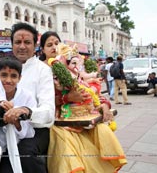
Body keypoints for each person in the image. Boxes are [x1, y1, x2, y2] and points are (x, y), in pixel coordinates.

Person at [39, 34, 127, 172]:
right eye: (49, 45)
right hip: (58, 122)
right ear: (42, 49)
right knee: (66, 143)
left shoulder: (71, 68)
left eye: (57, 43)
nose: (55, 47)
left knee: (102, 130)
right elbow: (40, 102)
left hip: (82, 117)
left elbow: (90, 91)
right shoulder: (41, 70)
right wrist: (67, 98)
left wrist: (104, 106)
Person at [0, 23, 56, 173]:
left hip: (35, 131)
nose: (22, 46)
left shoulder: (43, 70)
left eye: (27, 42)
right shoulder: (3, 68)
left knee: (24, 154)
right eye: (18, 42)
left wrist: (26, 111)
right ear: (12, 45)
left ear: (35, 45)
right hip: (4, 128)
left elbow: (48, 112)